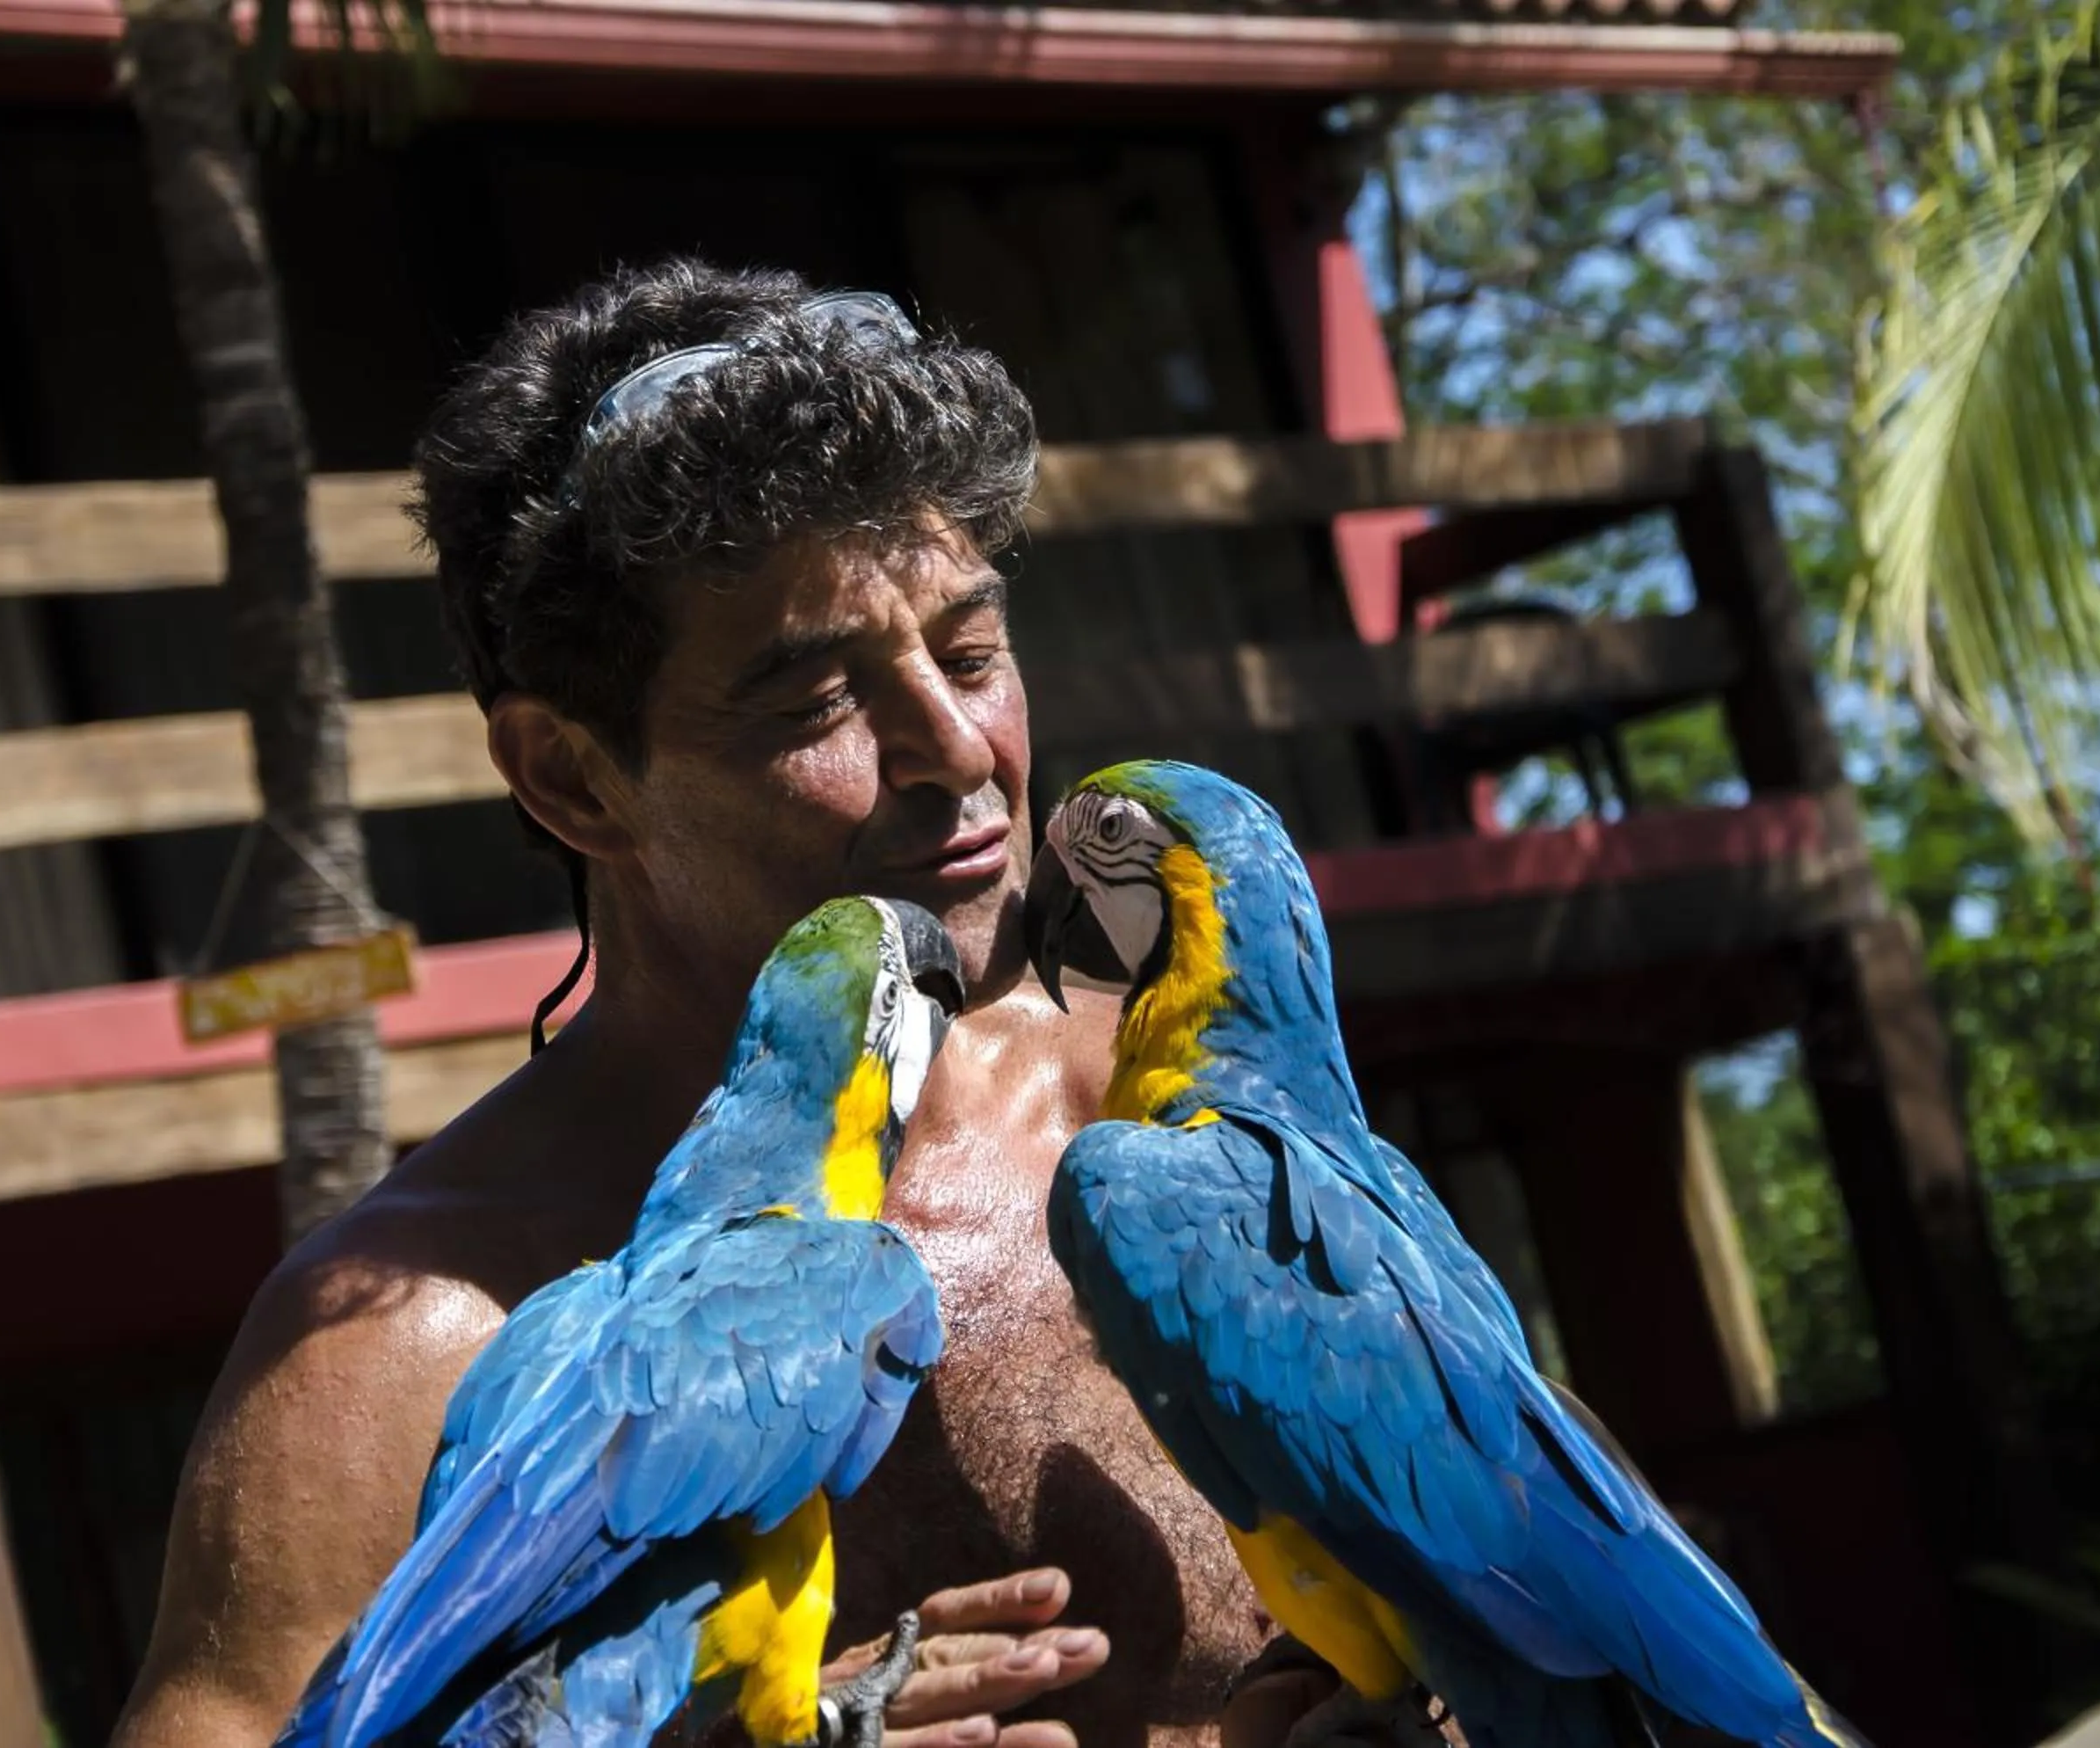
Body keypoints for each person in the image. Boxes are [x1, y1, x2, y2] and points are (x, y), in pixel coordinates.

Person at [111, 260, 1341, 1748]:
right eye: (817, 701)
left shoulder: (1185, 1132)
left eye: (970, 651)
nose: (955, 749)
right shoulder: (418, 1339)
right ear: (572, 777)